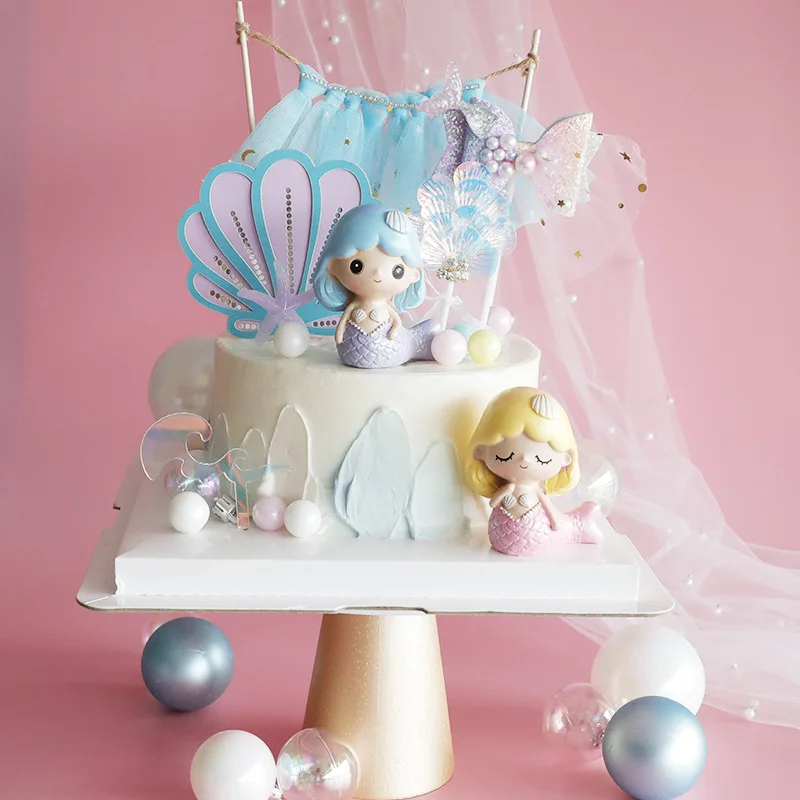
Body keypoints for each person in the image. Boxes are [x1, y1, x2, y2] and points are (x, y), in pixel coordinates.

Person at [466, 386, 603, 556]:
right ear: (481, 452)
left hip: (537, 534)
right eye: (505, 456)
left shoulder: (537, 491)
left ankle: (578, 527)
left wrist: (555, 523)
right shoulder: (508, 488)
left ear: (566, 459)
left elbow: (549, 510)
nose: (525, 460)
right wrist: (503, 495)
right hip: (501, 534)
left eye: (542, 459)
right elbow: (493, 503)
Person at [313, 202, 437, 368]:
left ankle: (417, 344)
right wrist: (339, 336)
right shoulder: (353, 306)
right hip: (351, 351)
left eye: (397, 271)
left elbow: (396, 322)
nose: (378, 274)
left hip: (390, 348)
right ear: (332, 266)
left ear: (415, 274)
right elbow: (342, 324)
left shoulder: (388, 309)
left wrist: (394, 332)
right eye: (356, 266)